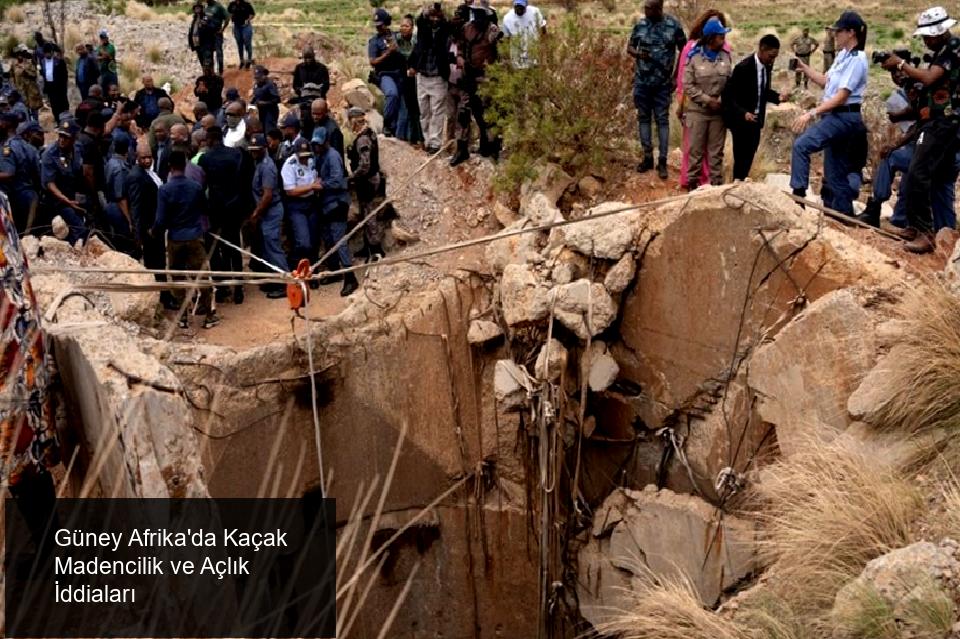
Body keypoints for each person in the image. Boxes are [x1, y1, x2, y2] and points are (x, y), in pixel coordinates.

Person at [0, 190, 61, 549]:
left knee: (20, 452)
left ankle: (53, 554)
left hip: (10, 349)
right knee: (24, 453)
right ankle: (48, 548)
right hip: (19, 338)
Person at [878, 6, 960, 253]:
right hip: (939, 123)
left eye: (926, 36)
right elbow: (928, 99)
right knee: (934, 177)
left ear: (937, 33)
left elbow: (929, 79)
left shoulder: (953, 48)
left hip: (944, 124)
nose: (924, 41)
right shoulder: (942, 52)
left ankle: (925, 233)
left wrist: (901, 64)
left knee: (917, 172)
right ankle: (920, 227)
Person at [790, 11, 868, 216]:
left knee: (802, 146)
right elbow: (826, 81)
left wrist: (811, 113)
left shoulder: (858, 59)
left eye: (839, 31)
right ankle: (843, 216)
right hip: (836, 116)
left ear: (851, 33)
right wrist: (805, 69)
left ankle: (798, 198)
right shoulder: (842, 55)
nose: (835, 35)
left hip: (843, 116)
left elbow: (842, 96)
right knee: (835, 176)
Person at [152, 150, 221, 329]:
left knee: (177, 276)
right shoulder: (196, 187)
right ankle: (208, 315)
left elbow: (160, 219)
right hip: (195, 237)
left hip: (175, 238)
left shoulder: (164, 190)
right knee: (202, 275)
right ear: (185, 165)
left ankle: (183, 316)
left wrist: (154, 232)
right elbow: (205, 209)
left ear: (169, 167)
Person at [627, 0, 686, 178]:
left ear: (658, 8)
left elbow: (684, 51)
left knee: (662, 121)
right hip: (642, 82)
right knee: (643, 118)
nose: (645, 11)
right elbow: (629, 47)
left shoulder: (673, 25)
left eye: (648, 8)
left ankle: (662, 161)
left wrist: (677, 77)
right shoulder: (641, 25)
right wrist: (637, 53)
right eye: (644, 7)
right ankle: (647, 158)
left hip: (663, 84)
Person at [723, 35, 790, 181]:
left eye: (775, 57)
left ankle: (743, 183)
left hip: (756, 120)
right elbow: (729, 96)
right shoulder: (743, 68)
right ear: (762, 49)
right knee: (740, 157)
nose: (772, 60)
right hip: (741, 122)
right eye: (770, 56)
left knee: (750, 155)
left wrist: (778, 97)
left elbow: (762, 91)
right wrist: (743, 113)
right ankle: (736, 186)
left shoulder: (767, 67)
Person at [677, 10, 730, 188]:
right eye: (721, 35)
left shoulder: (726, 56)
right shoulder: (694, 57)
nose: (724, 38)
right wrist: (708, 100)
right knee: (695, 153)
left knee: (716, 154)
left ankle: (716, 188)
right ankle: (692, 188)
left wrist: (723, 99)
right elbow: (688, 84)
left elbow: (730, 81)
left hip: (718, 114)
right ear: (711, 38)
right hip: (697, 112)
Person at [198, 125, 248, 303]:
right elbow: (242, 181)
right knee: (234, 246)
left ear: (210, 139)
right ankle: (239, 288)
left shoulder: (205, 158)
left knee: (215, 249)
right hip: (233, 206)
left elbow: (203, 186)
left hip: (215, 208)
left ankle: (221, 287)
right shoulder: (236, 154)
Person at [449, 2, 501, 166]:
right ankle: (462, 149)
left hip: (486, 79)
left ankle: (491, 148)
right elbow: (460, 46)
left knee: (486, 116)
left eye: (480, 12)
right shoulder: (467, 28)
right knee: (463, 113)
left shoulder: (492, 30)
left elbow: (501, 52)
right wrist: (461, 59)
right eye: (474, 12)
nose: (477, 15)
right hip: (468, 77)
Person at [126, 141, 174, 308]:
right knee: (155, 264)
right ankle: (163, 298)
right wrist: (139, 234)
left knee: (160, 262)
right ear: (136, 158)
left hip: (157, 226)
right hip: (149, 229)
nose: (147, 160)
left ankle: (164, 295)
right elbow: (136, 207)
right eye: (143, 158)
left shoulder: (149, 173)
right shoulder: (136, 177)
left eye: (149, 157)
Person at [312, 126, 358, 296]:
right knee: (328, 238)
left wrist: (321, 184)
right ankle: (334, 270)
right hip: (326, 203)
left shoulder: (332, 156)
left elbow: (338, 181)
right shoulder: (320, 156)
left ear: (326, 142)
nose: (316, 147)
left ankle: (350, 277)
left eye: (319, 144)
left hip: (337, 203)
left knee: (339, 240)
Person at [247, 134, 286, 297]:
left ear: (264, 148)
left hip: (270, 211)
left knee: (273, 247)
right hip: (265, 212)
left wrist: (256, 214)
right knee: (266, 249)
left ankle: (285, 283)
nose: (253, 153)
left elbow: (268, 195)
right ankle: (274, 280)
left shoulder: (267, 166)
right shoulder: (258, 163)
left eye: (257, 150)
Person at [347, 107, 387, 261]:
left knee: (369, 215)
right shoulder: (367, 133)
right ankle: (367, 246)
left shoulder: (363, 138)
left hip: (367, 180)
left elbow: (365, 164)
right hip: (367, 179)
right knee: (365, 213)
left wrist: (353, 176)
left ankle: (376, 249)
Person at [410, 3, 451, 154]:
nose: (434, 19)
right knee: (424, 112)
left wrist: (441, 10)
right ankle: (427, 140)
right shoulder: (423, 30)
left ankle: (435, 142)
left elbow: (448, 22)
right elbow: (419, 19)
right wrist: (427, 9)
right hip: (422, 76)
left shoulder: (445, 31)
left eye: (437, 16)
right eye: (432, 16)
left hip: (438, 77)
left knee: (437, 111)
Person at [41, 121, 87, 244]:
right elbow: (50, 184)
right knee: (79, 228)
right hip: (57, 199)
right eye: (60, 136)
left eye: (66, 137)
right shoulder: (50, 154)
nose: (62, 140)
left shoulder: (77, 148)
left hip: (73, 194)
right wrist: (66, 200)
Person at [281, 138, 320, 265]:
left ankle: (312, 272)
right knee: (303, 242)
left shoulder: (311, 161)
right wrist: (311, 187)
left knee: (314, 241)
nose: (304, 159)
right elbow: (290, 191)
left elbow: (316, 177)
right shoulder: (289, 165)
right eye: (301, 156)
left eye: (306, 156)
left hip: (312, 202)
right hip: (296, 205)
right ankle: (295, 265)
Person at [368, 8, 406, 138]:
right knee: (392, 94)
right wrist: (388, 53)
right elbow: (372, 61)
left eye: (381, 25)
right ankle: (387, 125)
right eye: (377, 26)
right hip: (385, 74)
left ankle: (401, 133)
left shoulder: (397, 36)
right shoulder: (375, 41)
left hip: (401, 74)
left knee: (403, 106)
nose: (379, 28)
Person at [0, 115, 41, 233]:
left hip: (14, 198)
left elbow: (9, 174)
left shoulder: (6, 148)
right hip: (31, 196)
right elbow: (37, 174)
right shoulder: (29, 146)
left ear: (6, 125)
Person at [103, 136, 135, 254]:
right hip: (119, 208)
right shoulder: (120, 168)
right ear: (128, 150)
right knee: (124, 242)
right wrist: (129, 220)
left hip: (111, 204)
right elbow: (120, 197)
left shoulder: (110, 162)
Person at [395, 14, 423, 144]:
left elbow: (420, 55)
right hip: (404, 77)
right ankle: (412, 137)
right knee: (410, 108)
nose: (403, 28)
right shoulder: (398, 39)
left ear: (412, 28)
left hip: (417, 76)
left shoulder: (417, 41)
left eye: (406, 26)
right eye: (401, 26)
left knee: (419, 108)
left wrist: (415, 68)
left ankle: (421, 137)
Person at [501, 0, 546, 69]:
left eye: (521, 7)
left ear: (526, 6)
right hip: (517, 59)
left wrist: (543, 50)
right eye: (517, 7)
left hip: (534, 56)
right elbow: (506, 39)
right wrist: (506, 59)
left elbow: (543, 30)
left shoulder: (535, 12)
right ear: (514, 6)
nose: (519, 9)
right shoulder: (507, 18)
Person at [11, 46, 42, 122]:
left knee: (34, 111)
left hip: (31, 91)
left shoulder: (29, 62)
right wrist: (14, 87)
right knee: (24, 112)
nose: (19, 56)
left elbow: (34, 75)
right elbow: (12, 77)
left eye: (20, 54)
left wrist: (26, 72)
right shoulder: (14, 65)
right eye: (17, 54)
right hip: (21, 92)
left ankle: (36, 126)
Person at [40, 43, 68, 122]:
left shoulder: (59, 61)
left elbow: (65, 76)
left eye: (49, 52)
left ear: (52, 52)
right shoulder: (42, 62)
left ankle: (64, 122)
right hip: (50, 86)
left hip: (59, 87)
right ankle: (58, 121)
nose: (47, 54)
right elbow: (43, 74)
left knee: (62, 105)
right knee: (54, 105)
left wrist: (64, 88)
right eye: (46, 53)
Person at [227, 0, 255, 69]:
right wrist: (231, 17)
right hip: (236, 26)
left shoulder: (246, 4)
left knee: (247, 43)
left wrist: (248, 19)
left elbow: (252, 14)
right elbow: (229, 13)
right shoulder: (232, 4)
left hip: (246, 26)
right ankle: (242, 61)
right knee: (239, 43)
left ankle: (249, 60)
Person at [205, 0, 230, 75]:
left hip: (217, 33)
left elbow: (227, 18)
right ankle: (212, 72)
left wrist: (222, 29)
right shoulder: (206, 7)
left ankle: (221, 71)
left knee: (219, 52)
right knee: (209, 53)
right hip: (208, 34)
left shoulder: (218, 6)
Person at [189, 1, 215, 70]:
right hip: (197, 45)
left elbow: (212, 27)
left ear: (201, 9)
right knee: (202, 62)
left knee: (208, 63)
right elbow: (191, 32)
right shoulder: (194, 19)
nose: (197, 9)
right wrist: (191, 43)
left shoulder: (206, 17)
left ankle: (212, 76)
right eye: (196, 8)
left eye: (198, 8)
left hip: (206, 44)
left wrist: (205, 24)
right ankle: (205, 76)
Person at [252, 66, 279, 132]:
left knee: (269, 131)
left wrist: (265, 103)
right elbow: (256, 97)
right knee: (262, 130)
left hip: (270, 112)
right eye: (256, 77)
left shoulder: (270, 85)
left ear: (264, 75)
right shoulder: (257, 85)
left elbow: (277, 99)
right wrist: (252, 104)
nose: (257, 79)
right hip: (261, 112)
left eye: (259, 77)